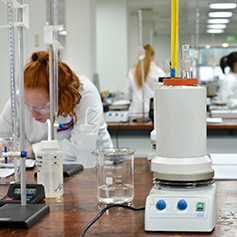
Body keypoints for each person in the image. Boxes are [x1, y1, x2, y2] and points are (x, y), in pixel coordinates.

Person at [0, 51, 113, 162]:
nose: (33, 114)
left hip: (97, 165)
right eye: (28, 106)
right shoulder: (19, 99)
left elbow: (80, 148)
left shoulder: (84, 93)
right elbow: (2, 136)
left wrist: (32, 151)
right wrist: (3, 148)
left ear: (60, 95)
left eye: (40, 107)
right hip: (47, 165)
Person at [124, 44, 165, 114]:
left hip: (136, 111)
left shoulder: (132, 72)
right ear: (153, 57)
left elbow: (127, 94)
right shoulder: (158, 72)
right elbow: (163, 94)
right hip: (153, 112)